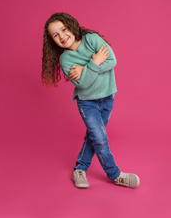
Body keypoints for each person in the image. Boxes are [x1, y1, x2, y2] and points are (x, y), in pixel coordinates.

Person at [41, 12, 140, 189]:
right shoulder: (65, 59)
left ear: (71, 25)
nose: (62, 36)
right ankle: (115, 174)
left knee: (94, 136)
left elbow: (112, 60)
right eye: (55, 35)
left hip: (108, 96)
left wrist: (84, 68)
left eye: (63, 29)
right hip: (87, 102)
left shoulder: (91, 39)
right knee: (99, 138)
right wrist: (94, 62)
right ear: (52, 41)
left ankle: (80, 168)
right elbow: (83, 83)